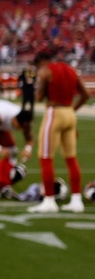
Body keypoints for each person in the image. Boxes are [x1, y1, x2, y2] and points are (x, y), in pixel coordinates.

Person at [28, 50, 90, 213]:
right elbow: (85, 94)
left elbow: (40, 97)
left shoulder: (45, 70)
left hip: (54, 112)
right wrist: (72, 110)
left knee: (45, 157)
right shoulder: (71, 70)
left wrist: (40, 84)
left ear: (41, 61)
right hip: (70, 112)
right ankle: (76, 200)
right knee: (71, 157)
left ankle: (49, 200)